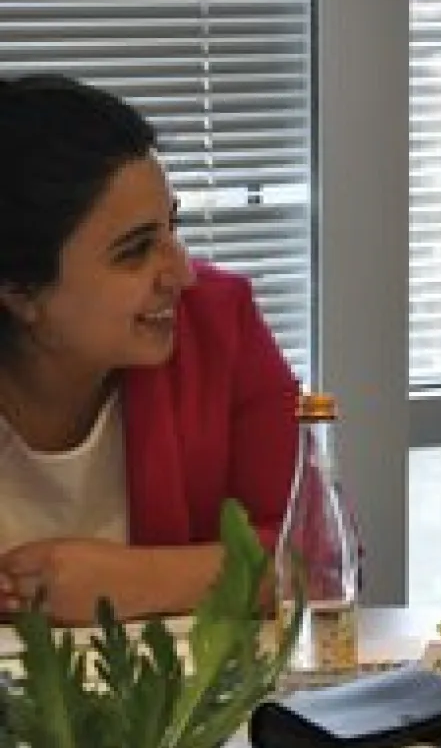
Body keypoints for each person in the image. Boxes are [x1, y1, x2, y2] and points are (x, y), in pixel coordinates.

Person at [0, 74, 300, 624]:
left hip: (179, 707)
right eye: (135, 251)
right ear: (19, 292)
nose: (182, 273)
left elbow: (318, 555)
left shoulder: (217, 322)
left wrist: (136, 581)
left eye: (173, 226)